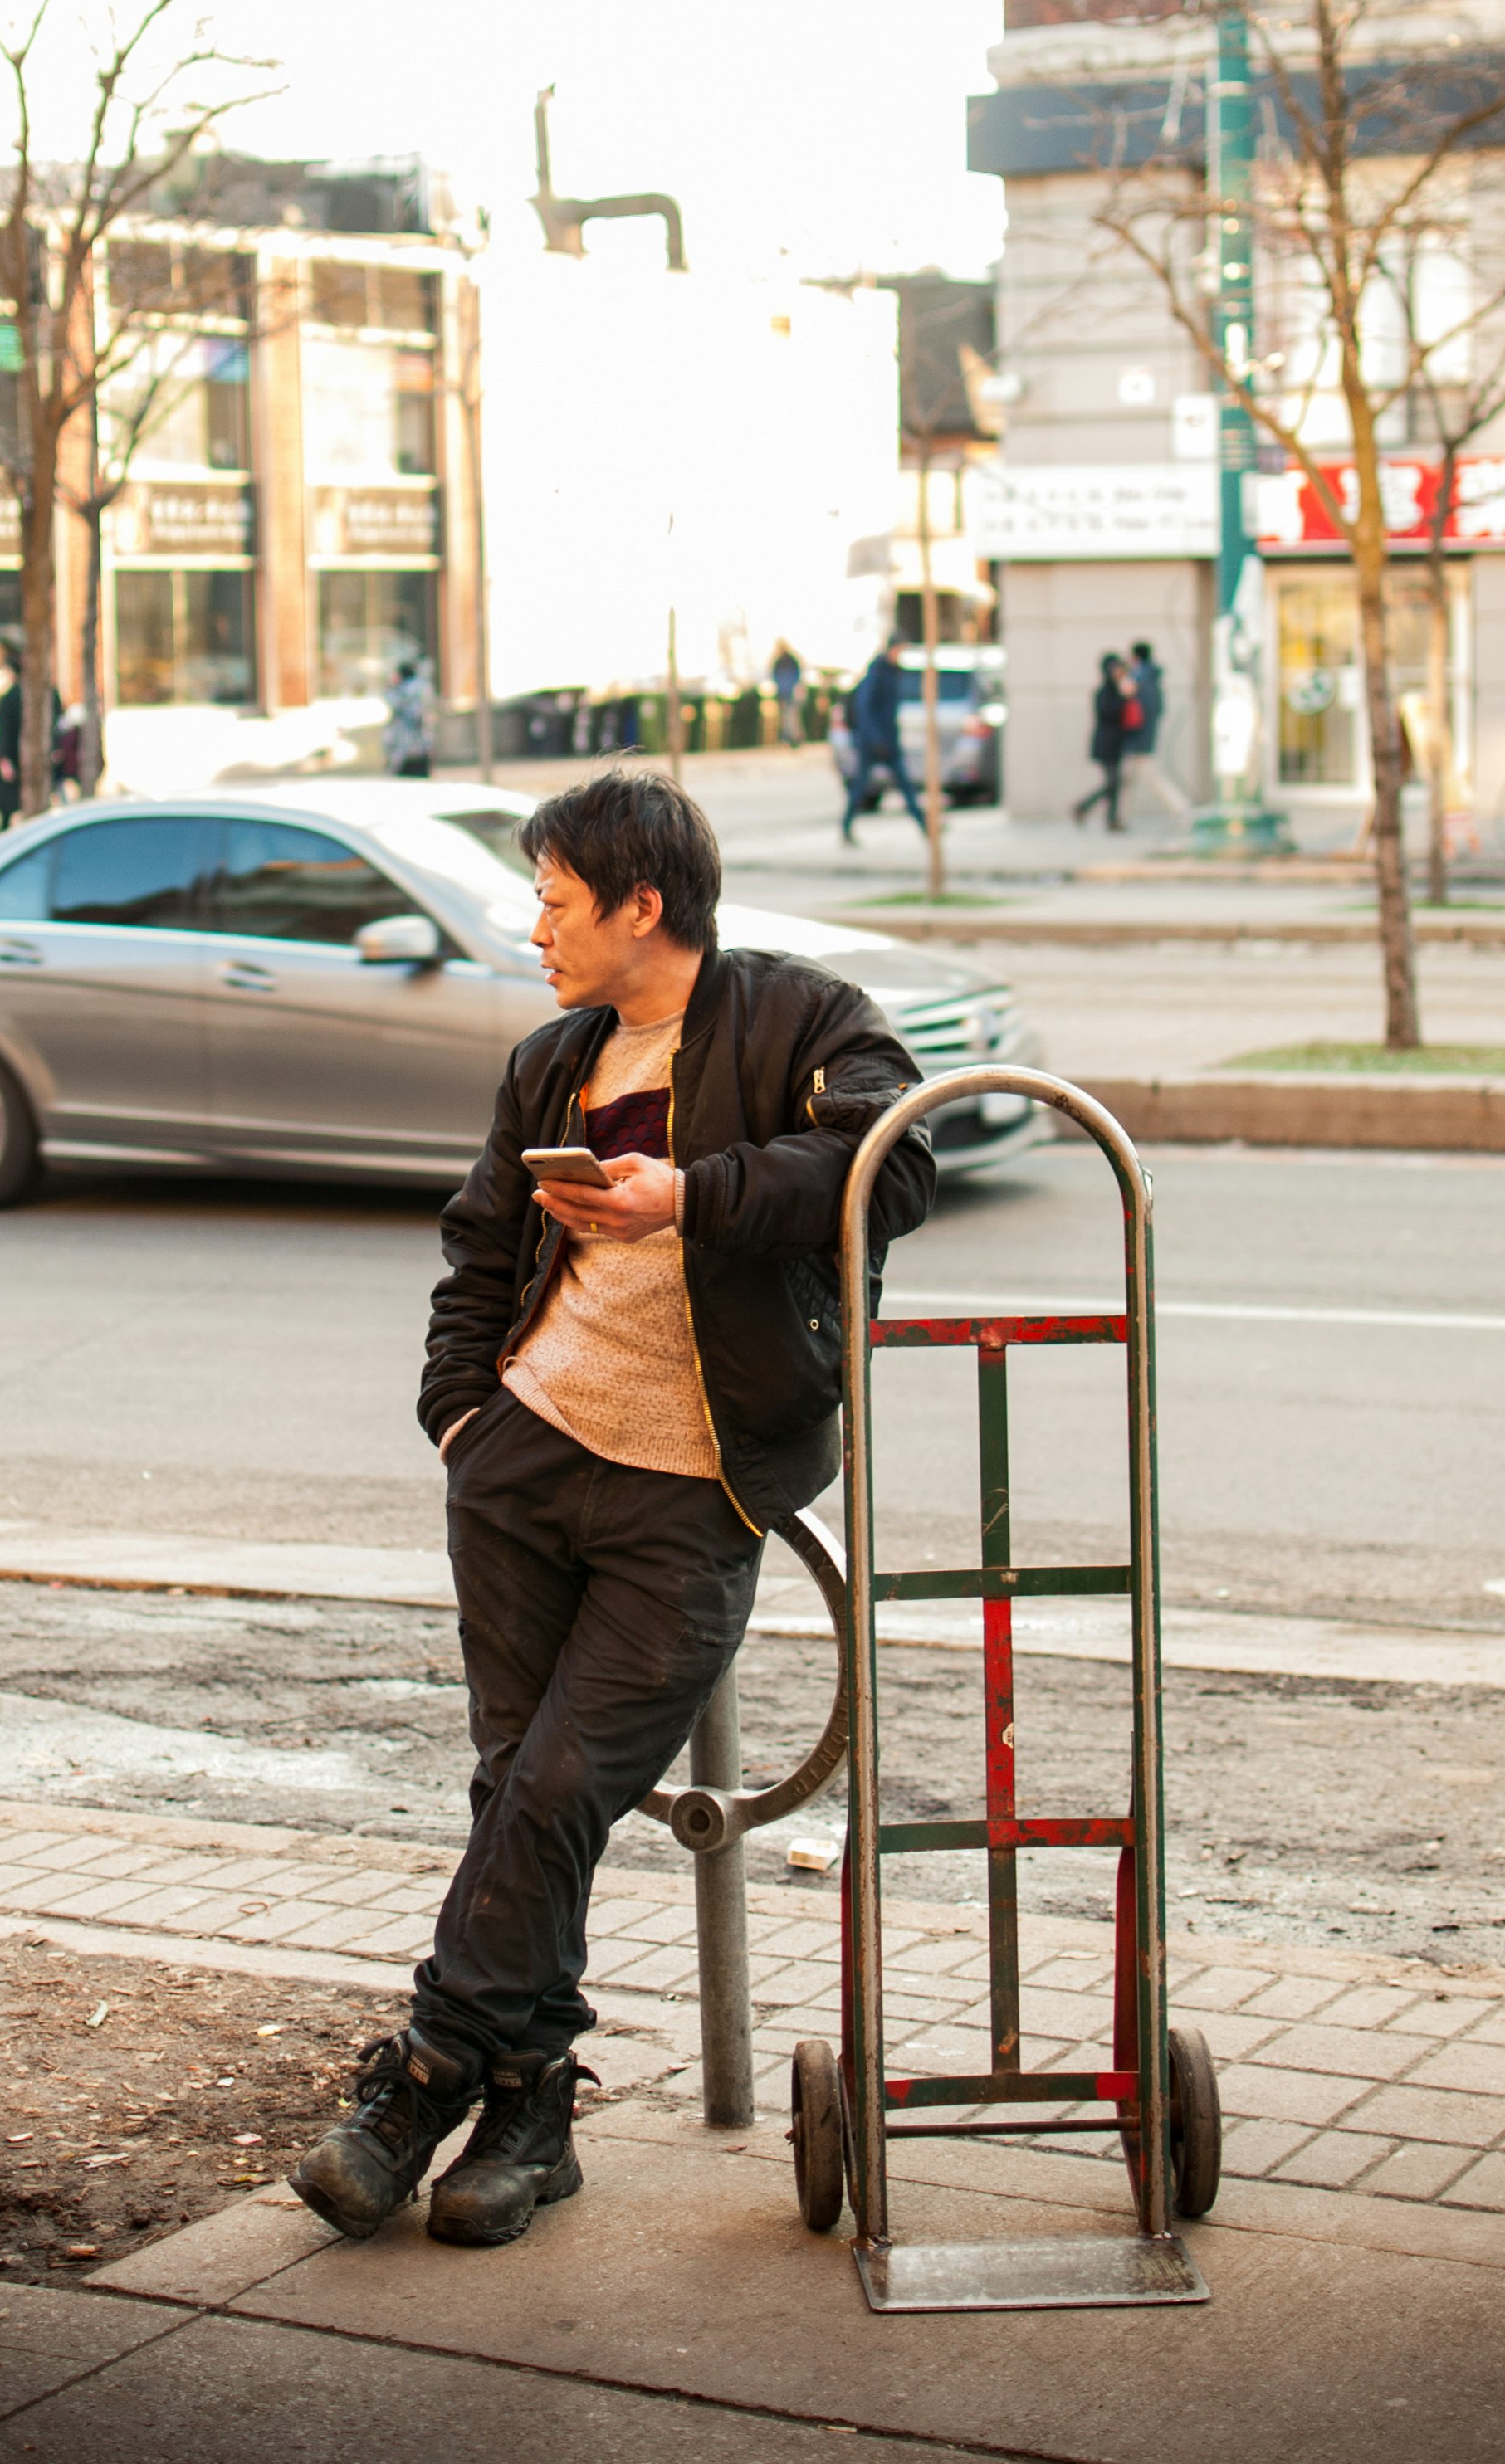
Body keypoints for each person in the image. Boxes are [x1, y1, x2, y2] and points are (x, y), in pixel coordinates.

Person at [291, 769, 936, 2252]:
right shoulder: (553, 1058)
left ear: (644, 903)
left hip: (692, 1484)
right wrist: (463, 1416)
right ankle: (527, 2118)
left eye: (555, 901)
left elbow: (892, 1167)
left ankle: (423, 2074)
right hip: (522, 1459)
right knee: (520, 1783)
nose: (534, 928)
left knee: (556, 1787)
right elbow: (476, 1248)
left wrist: (688, 1196)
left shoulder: (803, 1017)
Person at [841, 637, 926, 843]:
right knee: (861, 786)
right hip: (873, 743)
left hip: (888, 740)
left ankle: (925, 825)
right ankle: (846, 826)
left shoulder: (892, 672)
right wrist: (877, 739)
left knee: (905, 785)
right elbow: (866, 709)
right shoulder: (878, 673)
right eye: (900, 650)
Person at [1073, 652, 1132, 831]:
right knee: (1113, 782)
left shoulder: (1116, 689)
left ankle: (1111, 819)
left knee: (1114, 783)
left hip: (1116, 742)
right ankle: (1084, 807)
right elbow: (1109, 713)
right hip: (1106, 742)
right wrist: (1125, 698)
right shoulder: (1105, 691)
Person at [383, 659, 433, 777]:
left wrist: (390, 687)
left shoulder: (401, 688)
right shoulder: (422, 686)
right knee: (420, 755)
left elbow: (393, 703)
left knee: (403, 756)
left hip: (404, 731)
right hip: (420, 731)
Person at [0, 642, 18, 832]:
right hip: (11, 755)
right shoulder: (11, 696)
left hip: (9, 755)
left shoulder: (10, 697)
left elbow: (6, 732)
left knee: (7, 805)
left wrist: (3, 758)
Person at [1128, 642, 1165, 757]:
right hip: (1147, 720)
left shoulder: (1140, 676)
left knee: (1140, 757)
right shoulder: (1151, 674)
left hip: (1140, 723)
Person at [769, 639, 803, 744]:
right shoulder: (788, 660)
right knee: (790, 715)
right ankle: (791, 737)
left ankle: (790, 737)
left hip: (787, 692)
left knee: (789, 715)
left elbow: (775, 676)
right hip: (787, 691)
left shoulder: (780, 661)